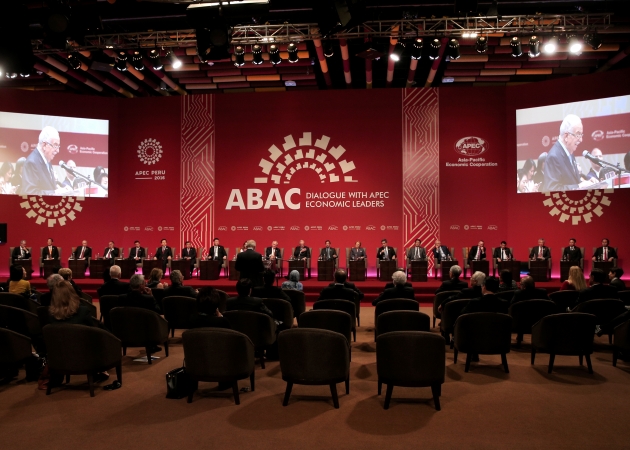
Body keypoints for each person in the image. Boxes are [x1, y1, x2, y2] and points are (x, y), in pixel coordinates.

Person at [542, 114, 596, 192]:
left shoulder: (569, 152)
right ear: (566, 136)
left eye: (581, 135)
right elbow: (552, 190)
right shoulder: (553, 157)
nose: (581, 140)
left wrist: (587, 183)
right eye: (578, 135)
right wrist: (579, 186)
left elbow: (572, 181)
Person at [19, 126, 73, 196]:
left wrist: (63, 188)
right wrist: (55, 192)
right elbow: (30, 193)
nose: (57, 150)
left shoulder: (47, 159)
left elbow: (49, 184)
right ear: (44, 145)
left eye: (58, 146)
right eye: (55, 145)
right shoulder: (31, 163)